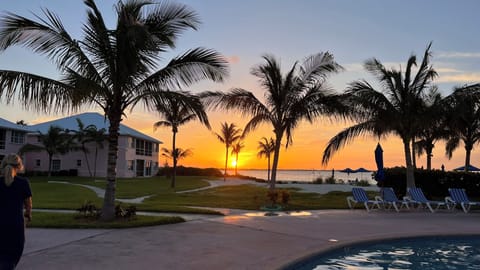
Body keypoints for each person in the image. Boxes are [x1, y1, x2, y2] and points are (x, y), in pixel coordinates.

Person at [0, 154, 32, 270]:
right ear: (19, 166)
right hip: (15, 225)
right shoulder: (23, 183)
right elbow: (28, 204)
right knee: (11, 258)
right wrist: (28, 215)